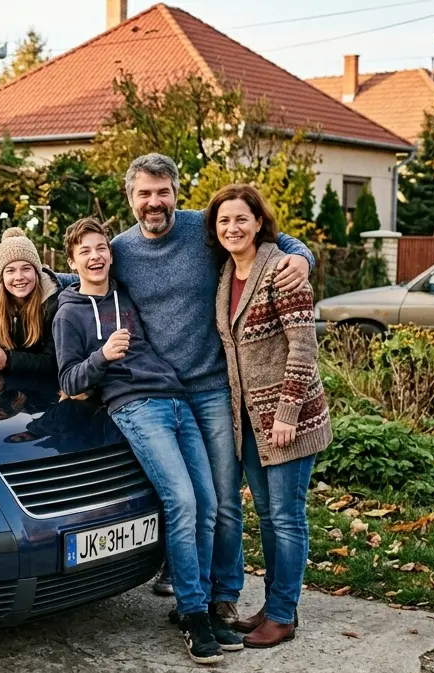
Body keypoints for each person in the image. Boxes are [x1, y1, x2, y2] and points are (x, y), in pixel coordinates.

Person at [55, 154, 316, 618]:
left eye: (162, 192)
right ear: (130, 198)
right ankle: (183, 575)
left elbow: (272, 237)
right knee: (183, 496)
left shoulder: (204, 229)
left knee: (223, 501)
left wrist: (302, 257)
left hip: (214, 387)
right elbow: (78, 286)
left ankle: (224, 597)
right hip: (157, 393)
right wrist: (13, 299)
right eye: (144, 194)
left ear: (176, 193)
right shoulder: (118, 250)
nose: (154, 203)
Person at [54, 217, 242, 665]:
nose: (96, 256)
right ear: (72, 260)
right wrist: (102, 356)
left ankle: (198, 603)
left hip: (176, 398)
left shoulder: (122, 293)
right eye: (86, 251)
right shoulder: (69, 313)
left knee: (210, 503)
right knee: (182, 501)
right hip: (135, 407)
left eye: (102, 248)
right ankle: (194, 613)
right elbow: (67, 377)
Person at [209, 183, 331, 648]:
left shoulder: (282, 270)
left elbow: (304, 347)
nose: (232, 227)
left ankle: (282, 614)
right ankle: (278, 603)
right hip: (251, 425)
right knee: (267, 515)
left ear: (259, 222)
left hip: (288, 422)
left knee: (286, 517)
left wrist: (287, 412)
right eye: (223, 221)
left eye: (241, 219)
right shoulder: (227, 274)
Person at [0, 227, 63, 377]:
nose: (19, 277)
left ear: (37, 272)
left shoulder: (53, 303)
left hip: (46, 387)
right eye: (10, 271)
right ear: (2, 278)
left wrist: (8, 360)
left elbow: (53, 362)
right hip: (7, 385)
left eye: (26, 269)